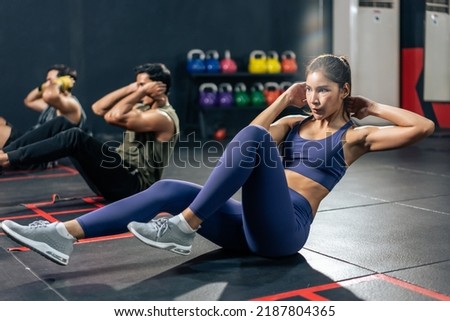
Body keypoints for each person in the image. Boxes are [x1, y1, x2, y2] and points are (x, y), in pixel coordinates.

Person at [1, 54, 434, 266]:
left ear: (343, 91)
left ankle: (185, 225)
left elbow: (422, 127)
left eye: (324, 90)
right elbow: (248, 137)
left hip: (286, 230)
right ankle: (62, 235)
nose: (315, 98)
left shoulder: (354, 137)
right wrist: (285, 99)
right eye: (309, 88)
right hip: (249, 221)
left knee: (253, 141)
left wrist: (372, 103)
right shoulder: (294, 122)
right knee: (170, 188)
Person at [0, 63, 180, 201]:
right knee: (61, 123)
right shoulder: (142, 105)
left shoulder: (163, 117)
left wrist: (138, 92)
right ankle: (4, 155)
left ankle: (9, 160)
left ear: (159, 87)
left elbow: (113, 116)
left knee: (75, 136)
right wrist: (131, 89)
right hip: (115, 173)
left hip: (133, 185)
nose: (137, 88)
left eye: (142, 85)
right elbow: (98, 108)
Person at [0, 64, 86, 150]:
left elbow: (49, 96)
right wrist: (44, 86)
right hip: (28, 143)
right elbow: (29, 101)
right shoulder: (53, 107)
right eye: (46, 80)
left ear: (64, 82)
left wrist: (59, 83)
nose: (46, 84)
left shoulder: (72, 106)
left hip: (38, 153)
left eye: (50, 80)